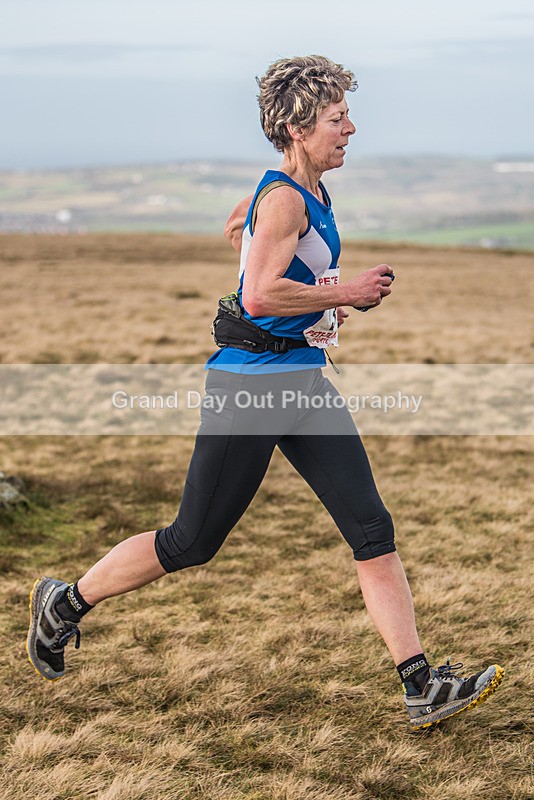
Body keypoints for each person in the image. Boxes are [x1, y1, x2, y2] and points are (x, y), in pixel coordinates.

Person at [27, 55, 504, 729]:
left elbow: (245, 240)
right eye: (338, 119)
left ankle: (420, 685)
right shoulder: (282, 196)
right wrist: (347, 293)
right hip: (249, 388)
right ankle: (65, 602)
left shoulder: (302, 194)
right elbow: (256, 293)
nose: (351, 129)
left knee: (372, 530)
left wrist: (316, 308)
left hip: (302, 382)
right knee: (191, 541)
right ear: (298, 126)